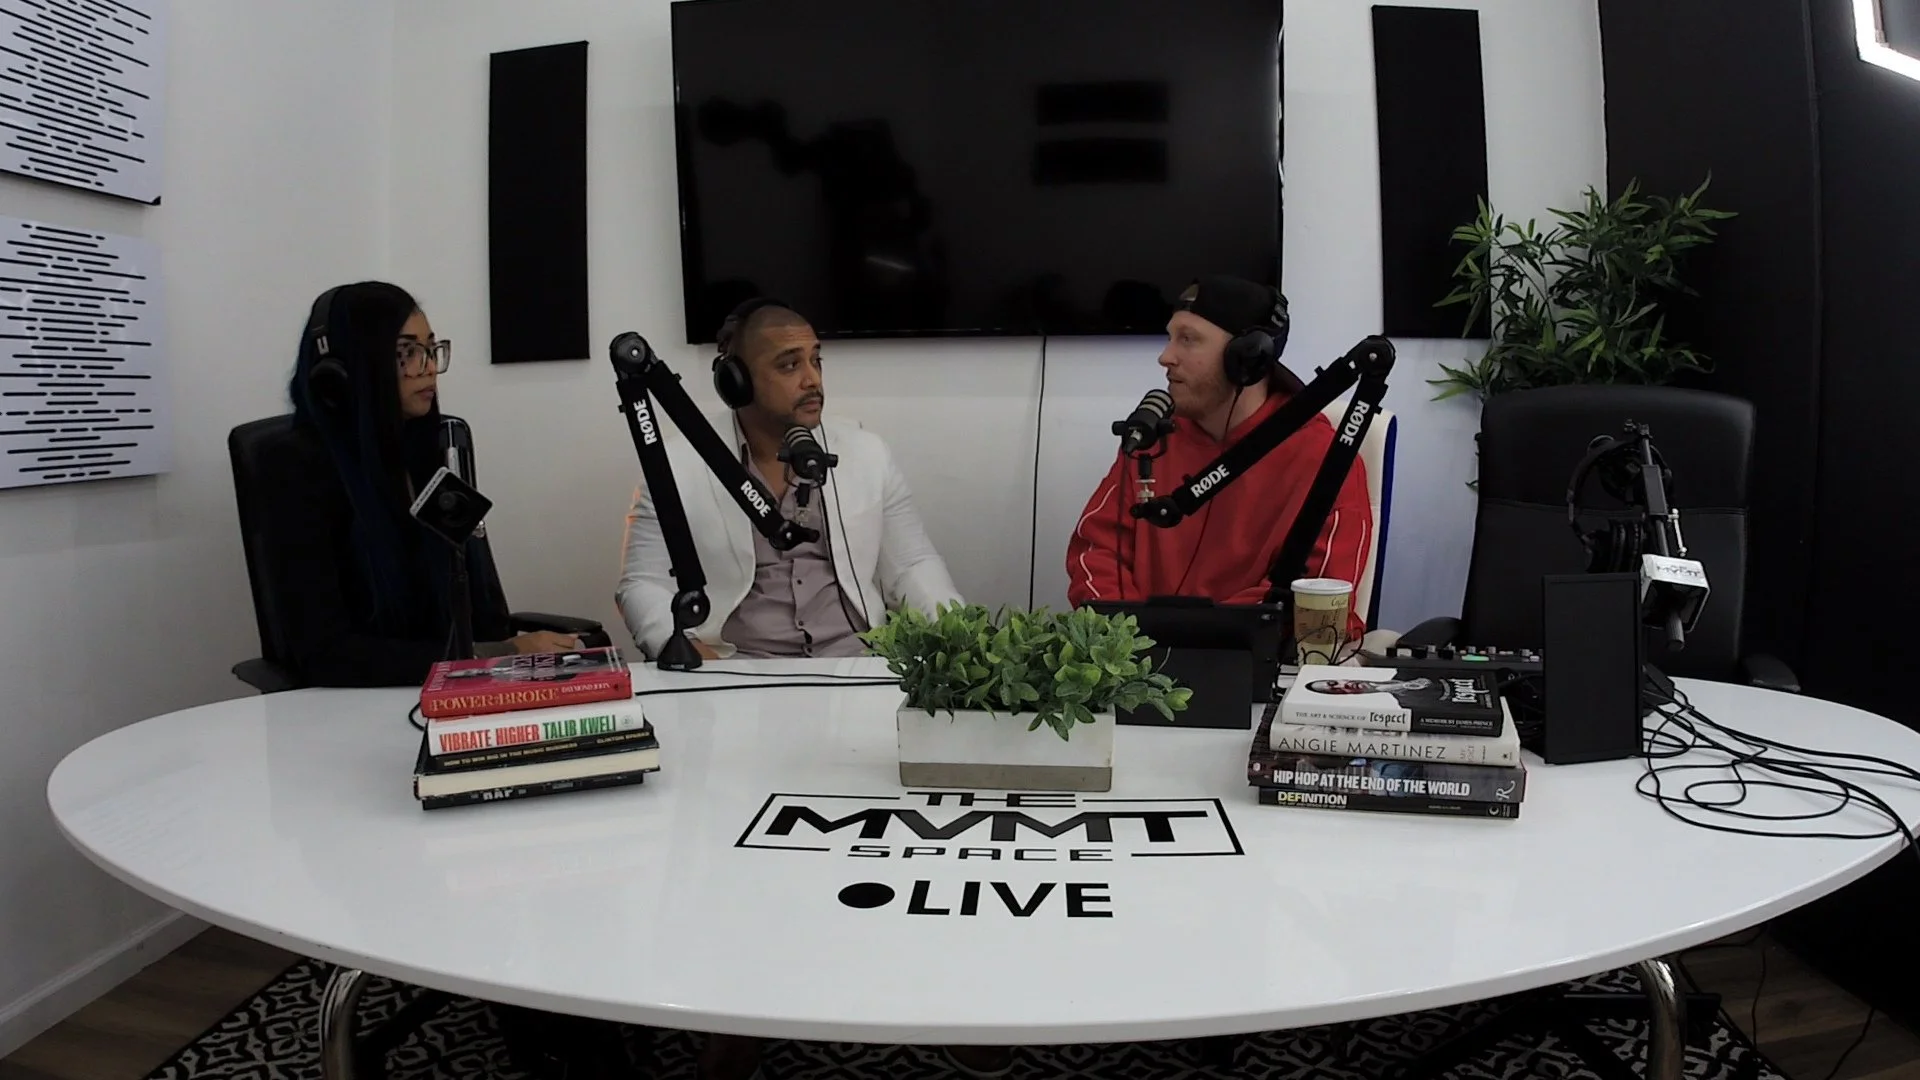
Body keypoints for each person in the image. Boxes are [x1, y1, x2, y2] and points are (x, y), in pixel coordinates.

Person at [269, 281, 580, 688]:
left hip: (449, 691)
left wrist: (521, 653)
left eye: (431, 349)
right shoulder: (297, 469)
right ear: (347, 370)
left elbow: (483, 612)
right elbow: (327, 654)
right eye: (406, 352)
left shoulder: (436, 449)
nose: (429, 366)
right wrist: (497, 657)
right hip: (350, 705)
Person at [616, 297, 962, 661]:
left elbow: (912, 564)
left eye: (816, 360)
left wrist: (956, 635)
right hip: (737, 673)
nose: (812, 379)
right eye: (789, 365)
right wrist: (683, 649)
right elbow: (642, 583)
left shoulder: (867, 453)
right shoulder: (676, 464)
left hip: (855, 665)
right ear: (736, 382)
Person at [1064, 274, 1373, 638]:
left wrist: (1195, 638)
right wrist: (1127, 636)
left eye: (1189, 340)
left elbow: (1316, 594)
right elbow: (1097, 549)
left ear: (1248, 357)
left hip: (1250, 668)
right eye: (1170, 337)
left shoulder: (1326, 458)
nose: (1166, 357)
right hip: (1138, 662)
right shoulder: (1151, 438)